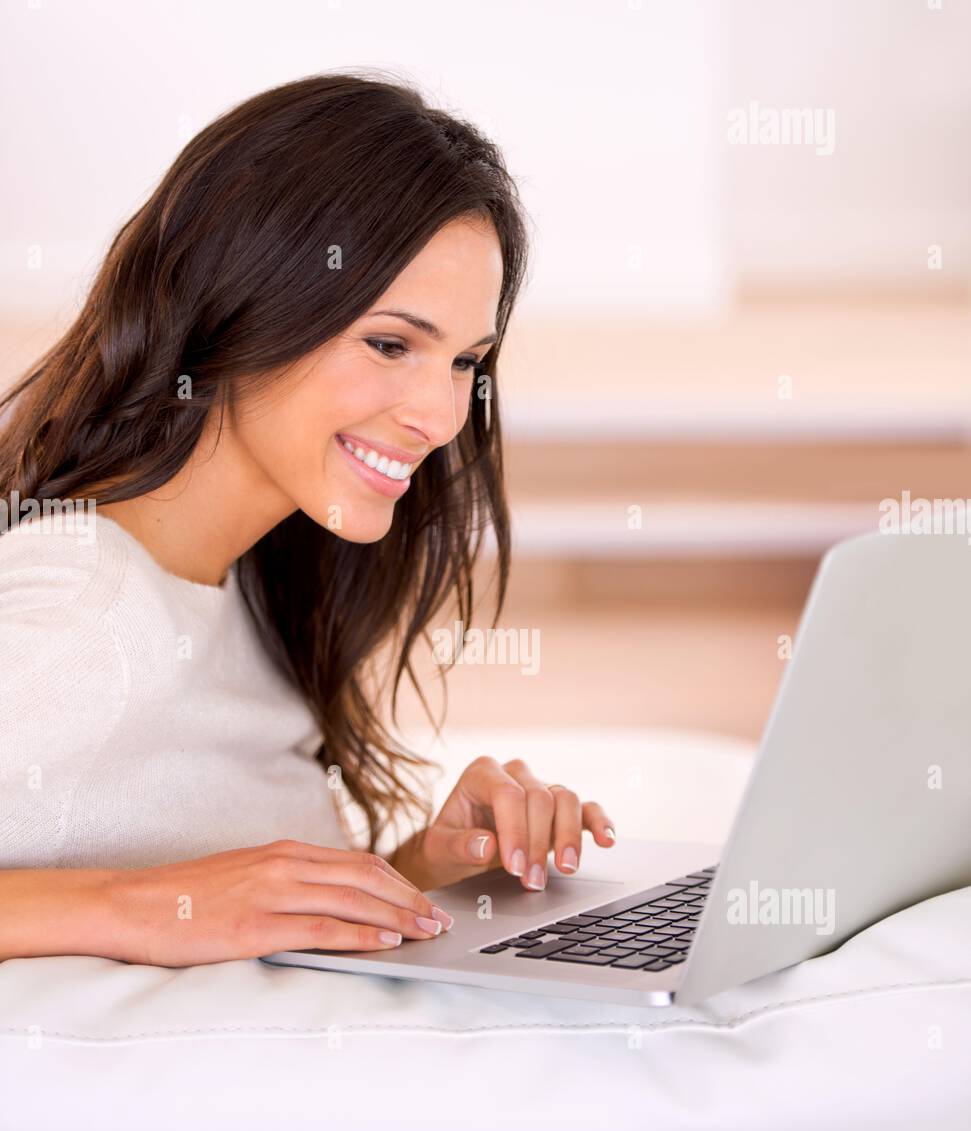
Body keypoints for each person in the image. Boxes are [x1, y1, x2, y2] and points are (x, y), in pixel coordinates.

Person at [0, 72, 615, 968]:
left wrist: (425, 871)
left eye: (462, 363)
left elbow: (248, 905)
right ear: (237, 304)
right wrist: (145, 908)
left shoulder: (252, 575)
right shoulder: (82, 616)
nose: (440, 420)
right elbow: (187, 898)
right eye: (389, 344)